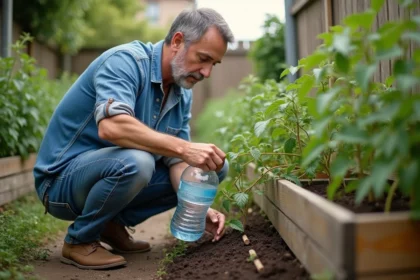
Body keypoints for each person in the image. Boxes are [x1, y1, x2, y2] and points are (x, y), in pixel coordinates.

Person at [33, 8, 234, 270]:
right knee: (138, 162)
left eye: (213, 64)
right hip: (60, 182)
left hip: (110, 173)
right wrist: (184, 147)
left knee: (212, 168)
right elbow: (112, 127)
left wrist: (195, 207)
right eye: (203, 58)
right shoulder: (125, 62)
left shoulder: (181, 91)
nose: (207, 72)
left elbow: (177, 163)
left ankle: (110, 225)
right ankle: (79, 241)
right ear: (177, 42)